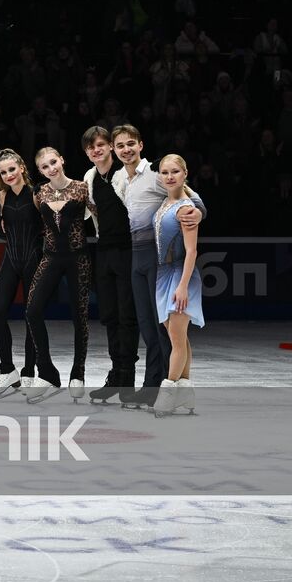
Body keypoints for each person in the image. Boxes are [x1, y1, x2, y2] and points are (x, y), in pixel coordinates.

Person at [108, 125, 204, 408]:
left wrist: (198, 210)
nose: (126, 149)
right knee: (149, 326)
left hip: (158, 256)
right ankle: (164, 387)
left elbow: (189, 199)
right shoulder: (118, 179)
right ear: (115, 150)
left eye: (130, 144)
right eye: (120, 145)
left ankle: (161, 387)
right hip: (137, 255)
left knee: (165, 330)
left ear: (140, 145)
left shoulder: (156, 174)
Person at [26, 146, 92, 402]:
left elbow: (96, 217)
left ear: (62, 159)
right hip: (51, 257)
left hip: (78, 257)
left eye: (53, 162)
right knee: (32, 310)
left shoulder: (82, 187)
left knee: (80, 315)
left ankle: (78, 371)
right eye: (44, 166)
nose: (51, 168)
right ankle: (48, 372)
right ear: (40, 171)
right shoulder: (40, 192)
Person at [80, 126, 139, 403]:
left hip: (128, 249)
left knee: (128, 314)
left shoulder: (124, 173)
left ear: (111, 148)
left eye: (101, 145)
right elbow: (90, 210)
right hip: (103, 250)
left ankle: (127, 376)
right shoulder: (90, 176)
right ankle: (115, 373)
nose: (97, 150)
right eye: (91, 147)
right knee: (110, 315)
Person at [0, 149, 40, 398]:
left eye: (12, 169)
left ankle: (29, 372)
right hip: (11, 259)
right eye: (3, 171)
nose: (8, 175)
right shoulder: (1, 196)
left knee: (31, 317)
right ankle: (8, 370)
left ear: (22, 167)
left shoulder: (37, 193)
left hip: (34, 259)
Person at [152, 154, 202, 416]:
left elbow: (192, 251)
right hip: (163, 276)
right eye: (164, 172)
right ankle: (186, 392)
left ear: (185, 173)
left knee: (176, 339)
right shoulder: (165, 202)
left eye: (174, 172)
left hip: (180, 275)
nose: (169, 176)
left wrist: (182, 286)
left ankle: (168, 393)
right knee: (179, 337)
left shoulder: (186, 208)